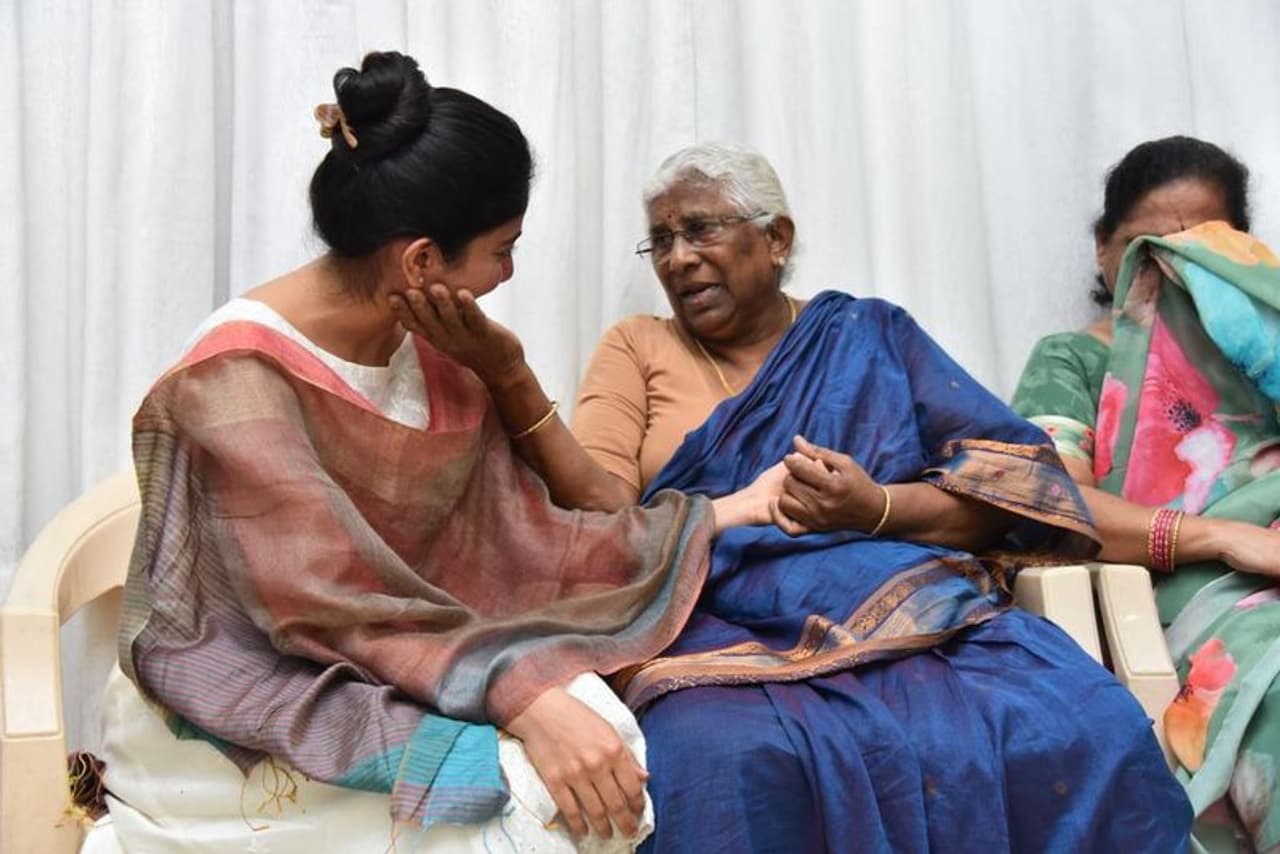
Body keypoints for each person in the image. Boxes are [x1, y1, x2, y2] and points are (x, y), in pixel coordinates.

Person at [392, 142, 1192, 852]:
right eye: (661, 241)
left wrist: (872, 508)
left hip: (912, 612)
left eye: (701, 230)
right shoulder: (639, 345)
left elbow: (1009, 492)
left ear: (776, 239)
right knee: (719, 760)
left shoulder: (871, 335)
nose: (678, 259)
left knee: (1081, 721)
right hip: (710, 626)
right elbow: (605, 512)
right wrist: (510, 378)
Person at [113, 53, 784, 851]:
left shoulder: (430, 341)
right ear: (422, 260)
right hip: (266, 689)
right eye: (502, 249)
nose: (509, 271)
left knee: (622, 751)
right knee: (546, 805)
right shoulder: (235, 382)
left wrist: (510, 376)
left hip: (418, 658)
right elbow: (332, 611)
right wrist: (524, 696)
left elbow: (533, 535)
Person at [1012, 135, 1280, 853]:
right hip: (1190, 595)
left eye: (1202, 242)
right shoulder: (1075, 360)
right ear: (1105, 250)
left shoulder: (1268, 347)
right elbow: (1055, 508)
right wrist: (1223, 537)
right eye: (1146, 244)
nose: (1172, 261)